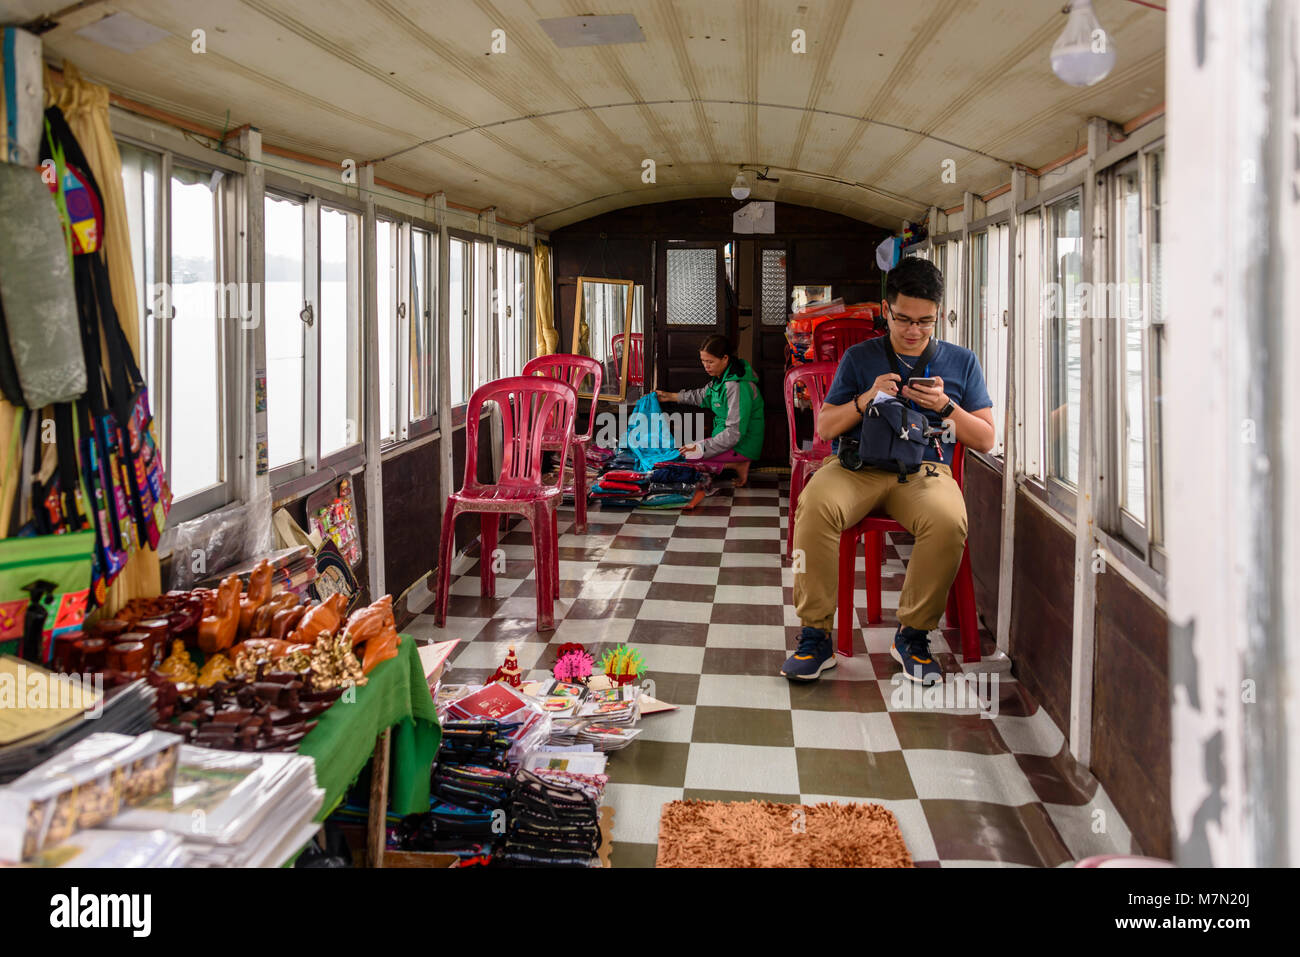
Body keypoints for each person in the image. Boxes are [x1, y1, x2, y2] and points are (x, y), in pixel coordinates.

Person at [781, 257, 995, 684]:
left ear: (938, 314)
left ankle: (913, 634)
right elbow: (824, 427)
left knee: (949, 520)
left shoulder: (962, 361)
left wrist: (946, 407)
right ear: (885, 310)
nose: (914, 331)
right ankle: (815, 633)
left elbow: (986, 438)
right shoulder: (860, 357)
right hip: (857, 467)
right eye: (903, 320)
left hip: (924, 473)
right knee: (815, 504)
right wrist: (866, 398)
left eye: (925, 321)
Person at [655, 335, 765, 486]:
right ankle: (732, 464)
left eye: (710, 362)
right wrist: (671, 396)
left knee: (683, 458)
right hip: (725, 440)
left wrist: (701, 448)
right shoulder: (721, 379)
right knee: (682, 454)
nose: (706, 366)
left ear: (725, 358)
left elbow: (734, 433)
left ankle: (737, 464)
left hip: (741, 444)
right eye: (703, 361)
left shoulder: (737, 386)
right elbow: (702, 396)